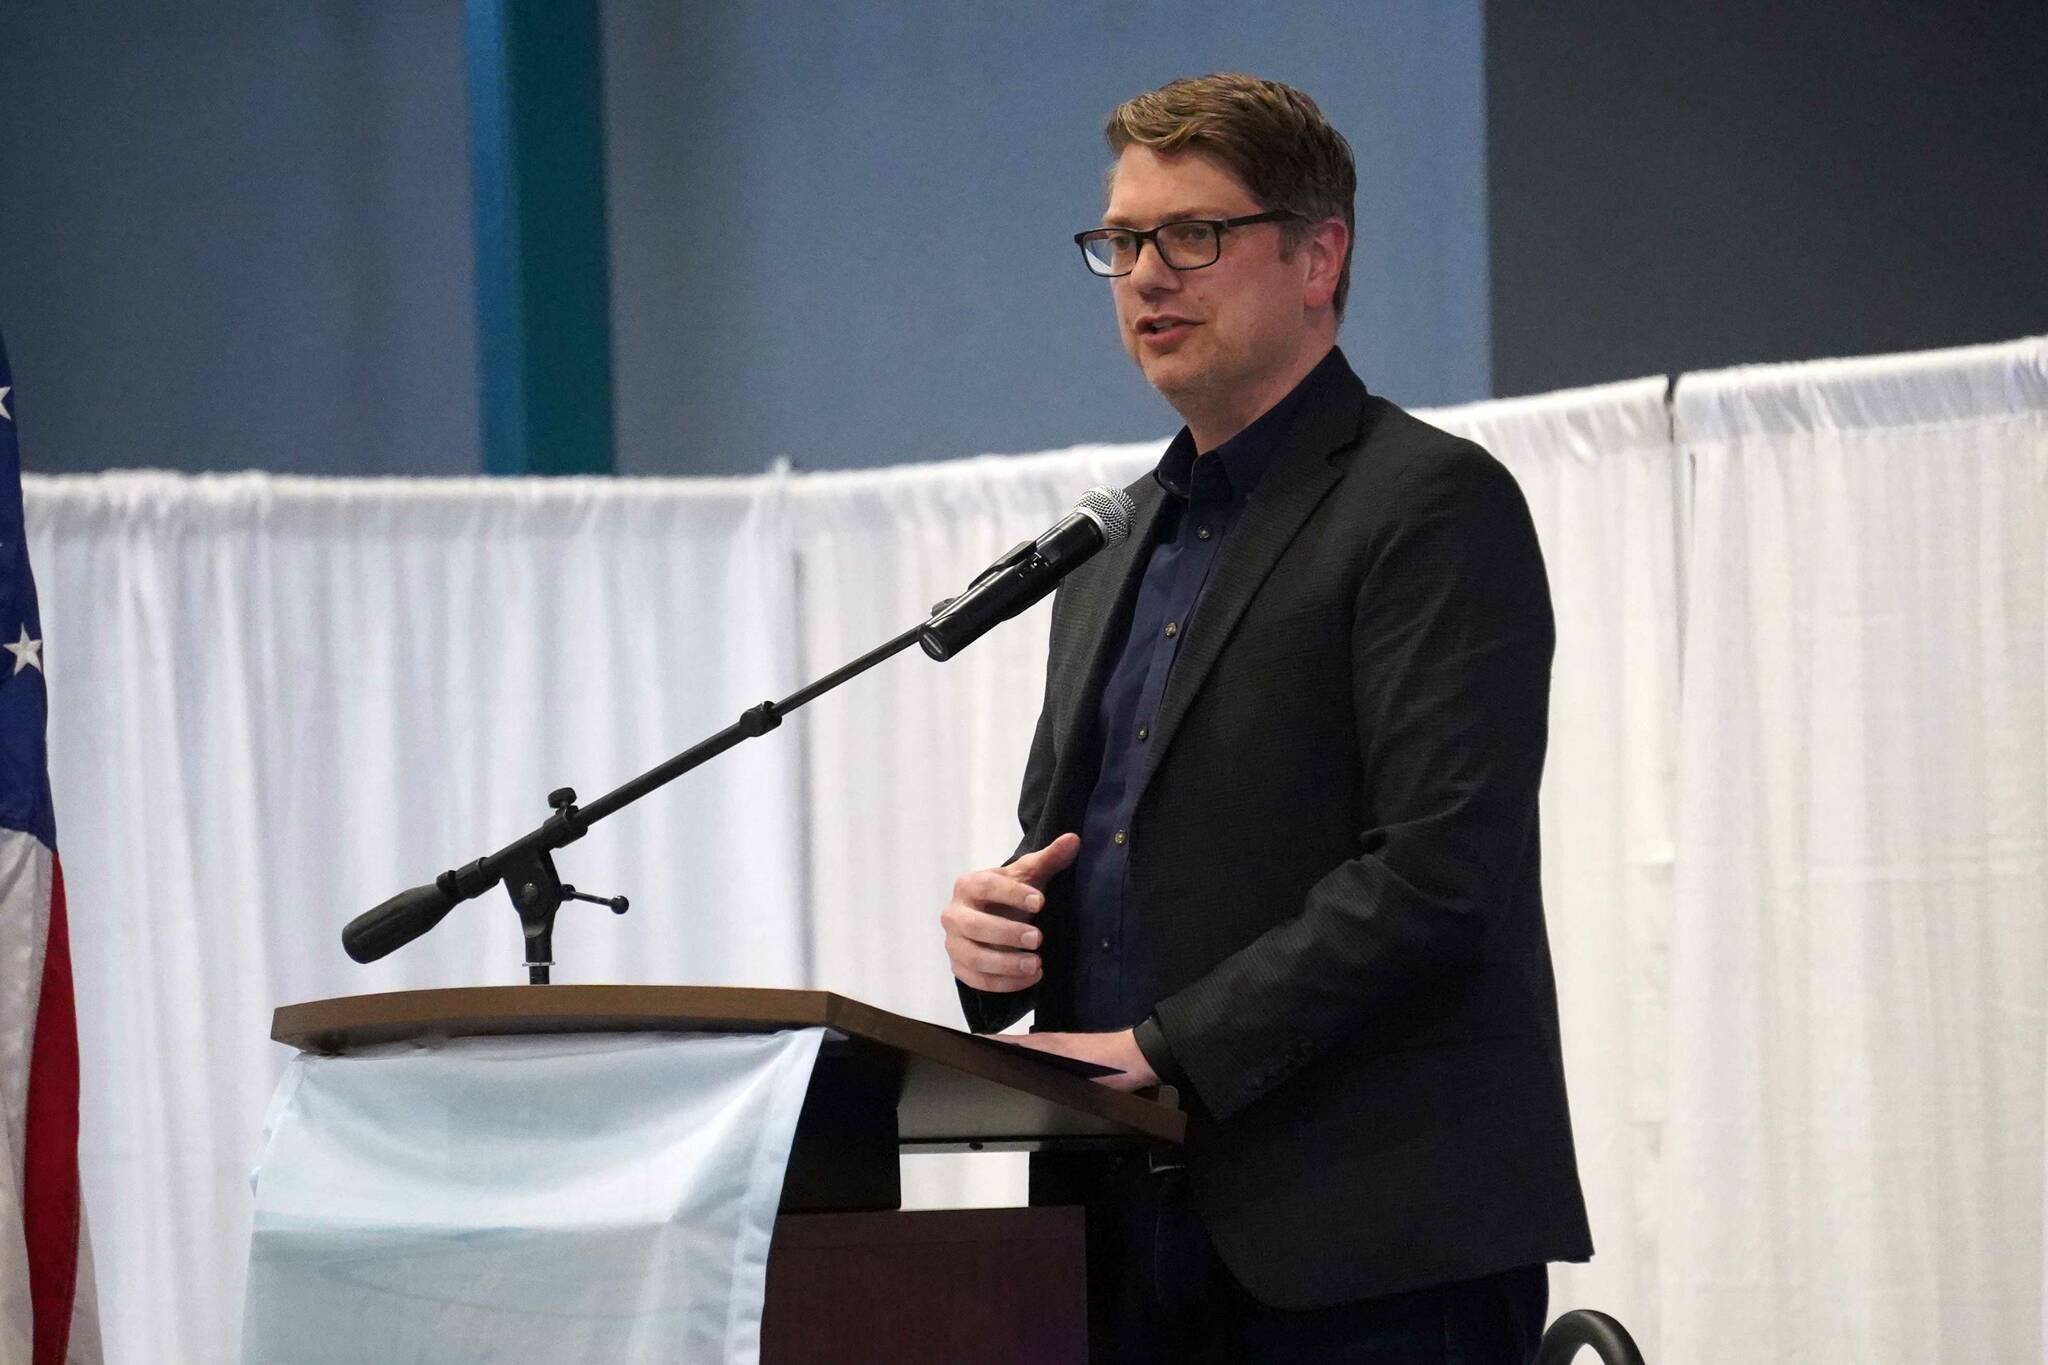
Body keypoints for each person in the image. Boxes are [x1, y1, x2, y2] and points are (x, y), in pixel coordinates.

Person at [937, 74, 1592, 1362]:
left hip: (1369, 1248)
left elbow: (1436, 874)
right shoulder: (1108, 545)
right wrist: (996, 934)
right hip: (1118, 1243)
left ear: (1318, 254)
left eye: (1192, 235)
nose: (1145, 277)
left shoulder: (1428, 506)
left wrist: (1162, 1045)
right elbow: (1083, 855)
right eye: (1120, 242)